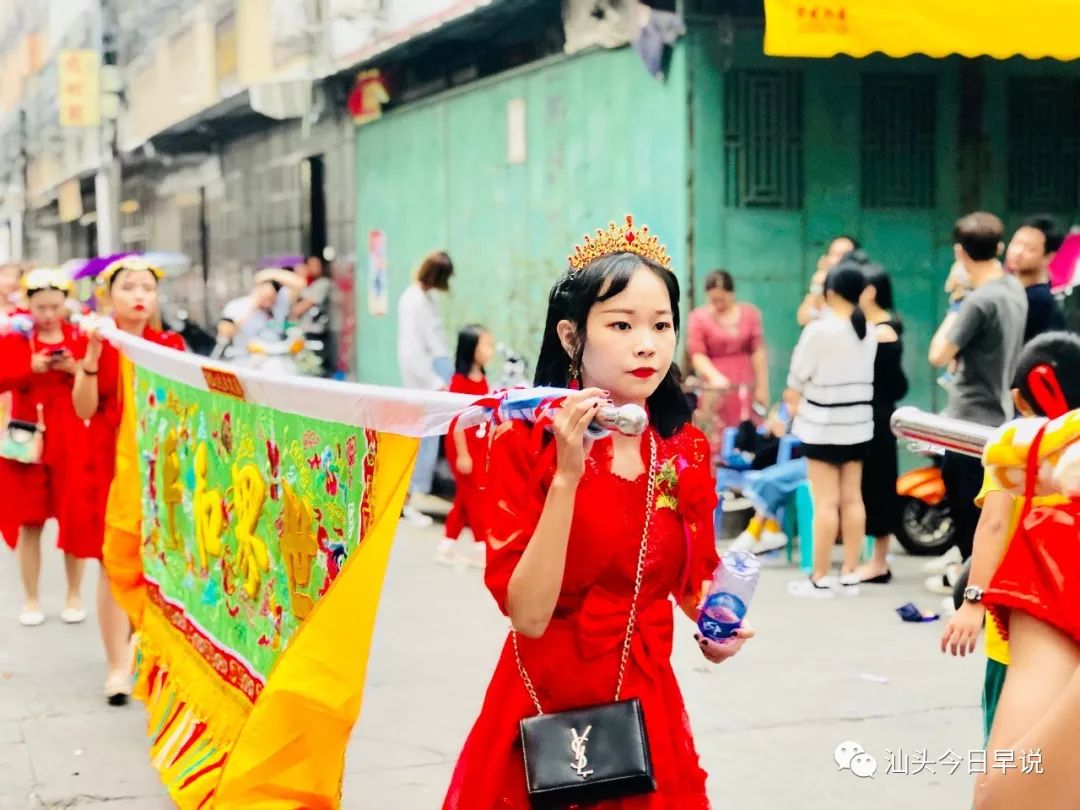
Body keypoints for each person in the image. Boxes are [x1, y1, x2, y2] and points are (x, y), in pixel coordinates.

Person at [442, 217, 752, 809]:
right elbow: (527, 614)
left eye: (662, 325)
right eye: (621, 324)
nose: (648, 343)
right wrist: (567, 476)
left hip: (647, 706)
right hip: (544, 706)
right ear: (570, 336)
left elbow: (692, 576)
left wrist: (714, 622)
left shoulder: (681, 446)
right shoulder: (520, 441)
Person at [940, 332, 1080, 747]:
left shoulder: (1017, 445)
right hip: (1071, 627)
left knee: (1008, 751)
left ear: (1020, 399)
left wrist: (972, 602)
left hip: (1018, 628)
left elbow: (995, 526)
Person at [70, 257, 186, 705]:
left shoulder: (168, 344)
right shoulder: (102, 344)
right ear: (108, 296)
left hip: (163, 467)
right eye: (128, 287)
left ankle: (149, 651)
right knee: (112, 561)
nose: (139, 295)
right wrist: (93, 359)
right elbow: (83, 409)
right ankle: (117, 664)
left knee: (160, 562)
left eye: (146, 288)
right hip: (110, 465)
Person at [928, 212, 1028, 587]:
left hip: (968, 419)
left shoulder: (977, 302)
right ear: (999, 247)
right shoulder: (1013, 289)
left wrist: (957, 303)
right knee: (988, 511)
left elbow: (938, 354)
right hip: (1001, 415)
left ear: (959, 252)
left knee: (969, 512)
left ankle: (974, 589)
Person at [0, 268, 87, 626]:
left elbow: (99, 378)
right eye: (41, 307)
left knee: (74, 517)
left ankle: (73, 593)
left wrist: (75, 367)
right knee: (29, 521)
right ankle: (32, 598)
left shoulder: (80, 336)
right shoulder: (15, 337)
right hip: (26, 433)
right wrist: (28, 367)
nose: (48, 315)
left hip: (70, 434)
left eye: (55, 306)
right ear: (29, 305)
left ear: (65, 303)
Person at [785, 260, 877, 597]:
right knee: (853, 499)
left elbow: (798, 375)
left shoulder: (820, 330)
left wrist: (792, 398)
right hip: (858, 426)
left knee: (825, 502)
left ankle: (820, 575)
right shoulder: (866, 329)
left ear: (831, 291)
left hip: (823, 426)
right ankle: (851, 571)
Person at [856, 263, 908, 584]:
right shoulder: (871, 327)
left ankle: (879, 561)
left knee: (878, 484)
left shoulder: (883, 331)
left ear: (871, 292)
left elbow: (894, 383)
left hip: (877, 416)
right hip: (868, 413)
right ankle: (872, 559)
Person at [397, 250, 454, 527]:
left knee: (430, 440)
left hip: (433, 373)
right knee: (422, 440)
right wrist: (434, 380)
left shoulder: (424, 298)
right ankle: (411, 500)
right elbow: (411, 350)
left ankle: (415, 497)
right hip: (427, 377)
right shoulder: (413, 301)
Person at [686, 270, 768, 456]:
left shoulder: (750, 314)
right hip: (715, 385)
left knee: (746, 427)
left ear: (732, 294)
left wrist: (763, 387)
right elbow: (697, 353)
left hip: (745, 382)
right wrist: (715, 377)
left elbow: (758, 351)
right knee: (716, 432)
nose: (718, 304)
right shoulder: (699, 317)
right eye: (713, 299)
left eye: (722, 299)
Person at [436, 324, 494, 567]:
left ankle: (446, 546)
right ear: (471, 348)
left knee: (465, 497)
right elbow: (457, 420)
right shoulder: (458, 381)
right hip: (462, 446)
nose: (490, 350)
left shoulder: (482, 378)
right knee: (477, 496)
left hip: (478, 443)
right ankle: (482, 546)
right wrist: (462, 453)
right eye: (485, 345)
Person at [1004, 214, 1066, 342]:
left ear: (1048, 257)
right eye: (1016, 243)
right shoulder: (1009, 288)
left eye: (1030, 249)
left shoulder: (1039, 302)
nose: (1018, 252)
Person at [217, 268, 304, 350]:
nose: (268, 303)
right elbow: (225, 333)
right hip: (246, 357)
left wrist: (270, 275)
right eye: (265, 297)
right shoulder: (237, 306)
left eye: (271, 298)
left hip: (276, 356)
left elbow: (300, 284)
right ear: (256, 291)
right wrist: (252, 309)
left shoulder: (277, 306)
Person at [796, 235, 858, 326]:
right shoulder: (823, 288)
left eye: (843, 255)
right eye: (833, 254)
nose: (837, 259)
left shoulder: (864, 289)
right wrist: (817, 287)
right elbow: (803, 319)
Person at [290, 255, 333, 375]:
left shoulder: (323, 283)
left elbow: (298, 309)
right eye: (311, 265)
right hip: (304, 334)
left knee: (317, 369)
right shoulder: (306, 284)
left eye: (317, 265)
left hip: (317, 334)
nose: (314, 268)